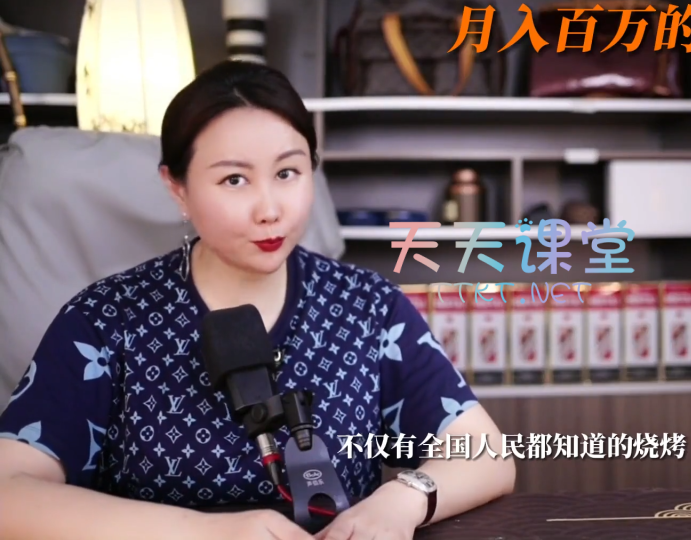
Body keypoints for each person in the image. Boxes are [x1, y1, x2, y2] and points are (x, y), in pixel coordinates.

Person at [0, 60, 516, 540]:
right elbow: (9, 493)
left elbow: (486, 454)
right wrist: (207, 534)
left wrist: (404, 498)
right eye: (234, 179)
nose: (269, 209)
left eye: (287, 173)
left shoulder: (368, 308)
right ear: (177, 188)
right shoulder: (105, 320)